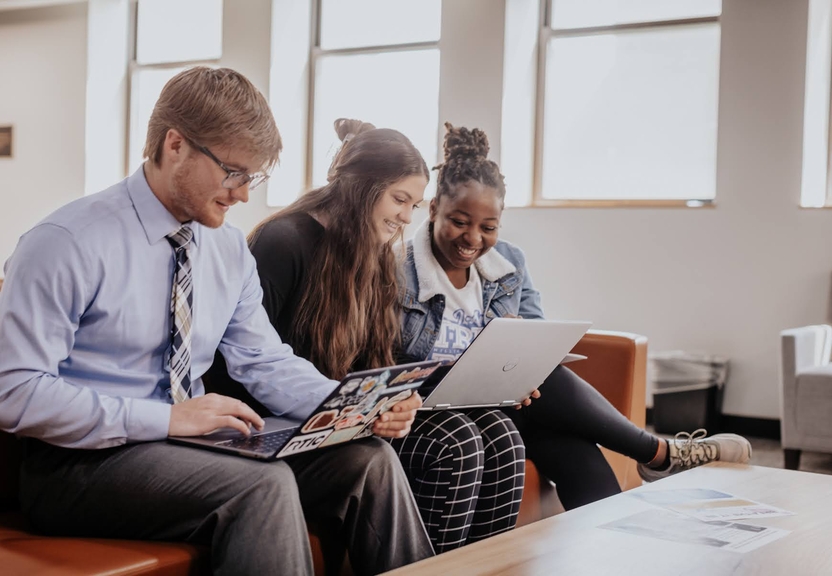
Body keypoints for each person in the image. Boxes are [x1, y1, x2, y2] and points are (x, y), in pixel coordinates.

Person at [0, 67, 433, 576]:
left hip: (192, 450)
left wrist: (356, 409)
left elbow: (264, 361)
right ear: (175, 145)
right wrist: (166, 419)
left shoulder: (226, 247)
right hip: (81, 465)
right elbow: (15, 392)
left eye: (254, 176)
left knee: (369, 461)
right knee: (261, 486)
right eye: (233, 171)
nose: (244, 193)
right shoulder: (67, 242)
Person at [206, 118, 525, 554]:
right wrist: (348, 407)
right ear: (363, 187)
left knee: (502, 436)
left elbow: (374, 361)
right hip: (282, 424)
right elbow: (246, 367)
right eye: (399, 200)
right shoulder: (284, 242)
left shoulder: (374, 251)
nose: (406, 218)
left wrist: (393, 401)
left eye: (414, 204)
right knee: (457, 443)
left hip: (341, 417)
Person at [397, 122, 753, 510]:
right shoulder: (397, 271)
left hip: (500, 407)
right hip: (431, 415)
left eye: (489, 227)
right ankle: (659, 454)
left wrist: (520, 362)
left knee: (570, 444)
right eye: (459, 222)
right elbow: (390, 365)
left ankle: (609, 552)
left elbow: (538, 336)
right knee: (552, 386)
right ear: (433, 209)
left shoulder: (510, 263)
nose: (472, 239)